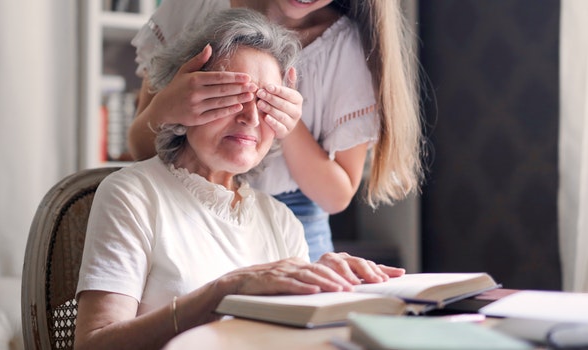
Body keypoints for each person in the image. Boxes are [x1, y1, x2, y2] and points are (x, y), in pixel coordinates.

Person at [74, 9, 405, 350]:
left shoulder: (283, 223)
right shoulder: (131, 197)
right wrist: (227, 289)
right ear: (188, 98)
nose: (250, 117)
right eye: (230, 95)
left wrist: (336, 289)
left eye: (267, 104)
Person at [127, 0, 424, 262]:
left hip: (296, 227)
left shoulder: (347, 48)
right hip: (185, 211)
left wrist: (287, 123)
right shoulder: (193, 7)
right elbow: (141, 149)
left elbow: (336, 196)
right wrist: (164, 108)